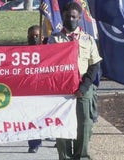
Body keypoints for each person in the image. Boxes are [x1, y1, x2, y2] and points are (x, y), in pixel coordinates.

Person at [48, 2, 102, 160]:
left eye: (73, 17)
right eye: (67, 16)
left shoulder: (88, 39)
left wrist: (84, 87)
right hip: (61, 89)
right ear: (63, 17)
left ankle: (82, 156)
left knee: (85, 124)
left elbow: (94, 65)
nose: (70, 19)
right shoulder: (54, 39)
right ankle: (64, 156)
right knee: (61, 123)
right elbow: (48, 65)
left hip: (83, 87)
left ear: (79, 18)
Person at [26, 25, 44, 153]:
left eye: (37, 36)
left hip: (45, 89)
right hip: (29, 90)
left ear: (42, 37)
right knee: (32, 117)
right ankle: (34, 143)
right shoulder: (21, 53)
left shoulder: (49, 51)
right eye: (31, 36)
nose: (34, 38)